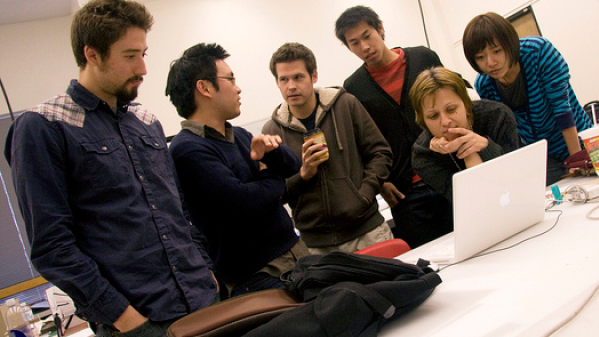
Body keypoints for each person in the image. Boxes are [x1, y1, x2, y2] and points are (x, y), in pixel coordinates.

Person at [4, 1, 218, 336]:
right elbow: (53, 247)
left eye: (144, 53)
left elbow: (178, 210)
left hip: (203, 299)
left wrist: (206, 270)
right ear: (92, 54)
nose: (144, 68)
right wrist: (123, 317)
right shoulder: (45, 126)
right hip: (139, 321)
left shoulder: (146, 122)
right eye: (130, 56)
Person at [165, 43, 310, 299]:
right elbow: (244, 203)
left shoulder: (238, 134)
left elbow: (292, 165)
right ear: (205, 87)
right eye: (230, 79)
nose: (238, 87)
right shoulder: (187, 150)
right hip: (257, 277)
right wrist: (268, 174)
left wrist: (272, 156)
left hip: (294, 253)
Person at [335, 5, 454, 248]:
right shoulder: (353, 87)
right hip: (406, 193)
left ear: (380, 29)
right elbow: (361, 144)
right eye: (354, 43)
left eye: (367, 36)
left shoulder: (423, 58)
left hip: (449, 173)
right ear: (348, 48)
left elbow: (455, 101)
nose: (364, 47)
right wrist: (380, 182)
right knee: (431, 261)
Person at [263, 42, 393, 255]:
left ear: (313, 76)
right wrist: (302, 175)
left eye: (298, 77)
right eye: (283, 80)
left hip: (367, 231)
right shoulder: (273, 131)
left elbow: (380, 153)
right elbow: (275, 192)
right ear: (277, 82)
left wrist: (364, 196)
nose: (291, 86)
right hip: (317, 246)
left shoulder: (346, 105)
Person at [462, 12, 593, 185]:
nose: (490, 62)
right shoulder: (484, 84)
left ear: (509, 44)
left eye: (497, 51)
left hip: (581, 143)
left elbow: (562, 108)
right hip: (545, 159)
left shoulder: (539, 52)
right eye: (480, 57)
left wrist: (576, 158)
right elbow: (507, 130)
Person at [410, 67, 520, 202]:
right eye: (433, 116)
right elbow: (473, 199)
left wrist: (486, 147)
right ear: (424, 122)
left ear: (466, 105)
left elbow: (516, 175)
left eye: (451, 109)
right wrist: (467, 151)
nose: (445, 122)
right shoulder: (423, 155)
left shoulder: (498, 116)